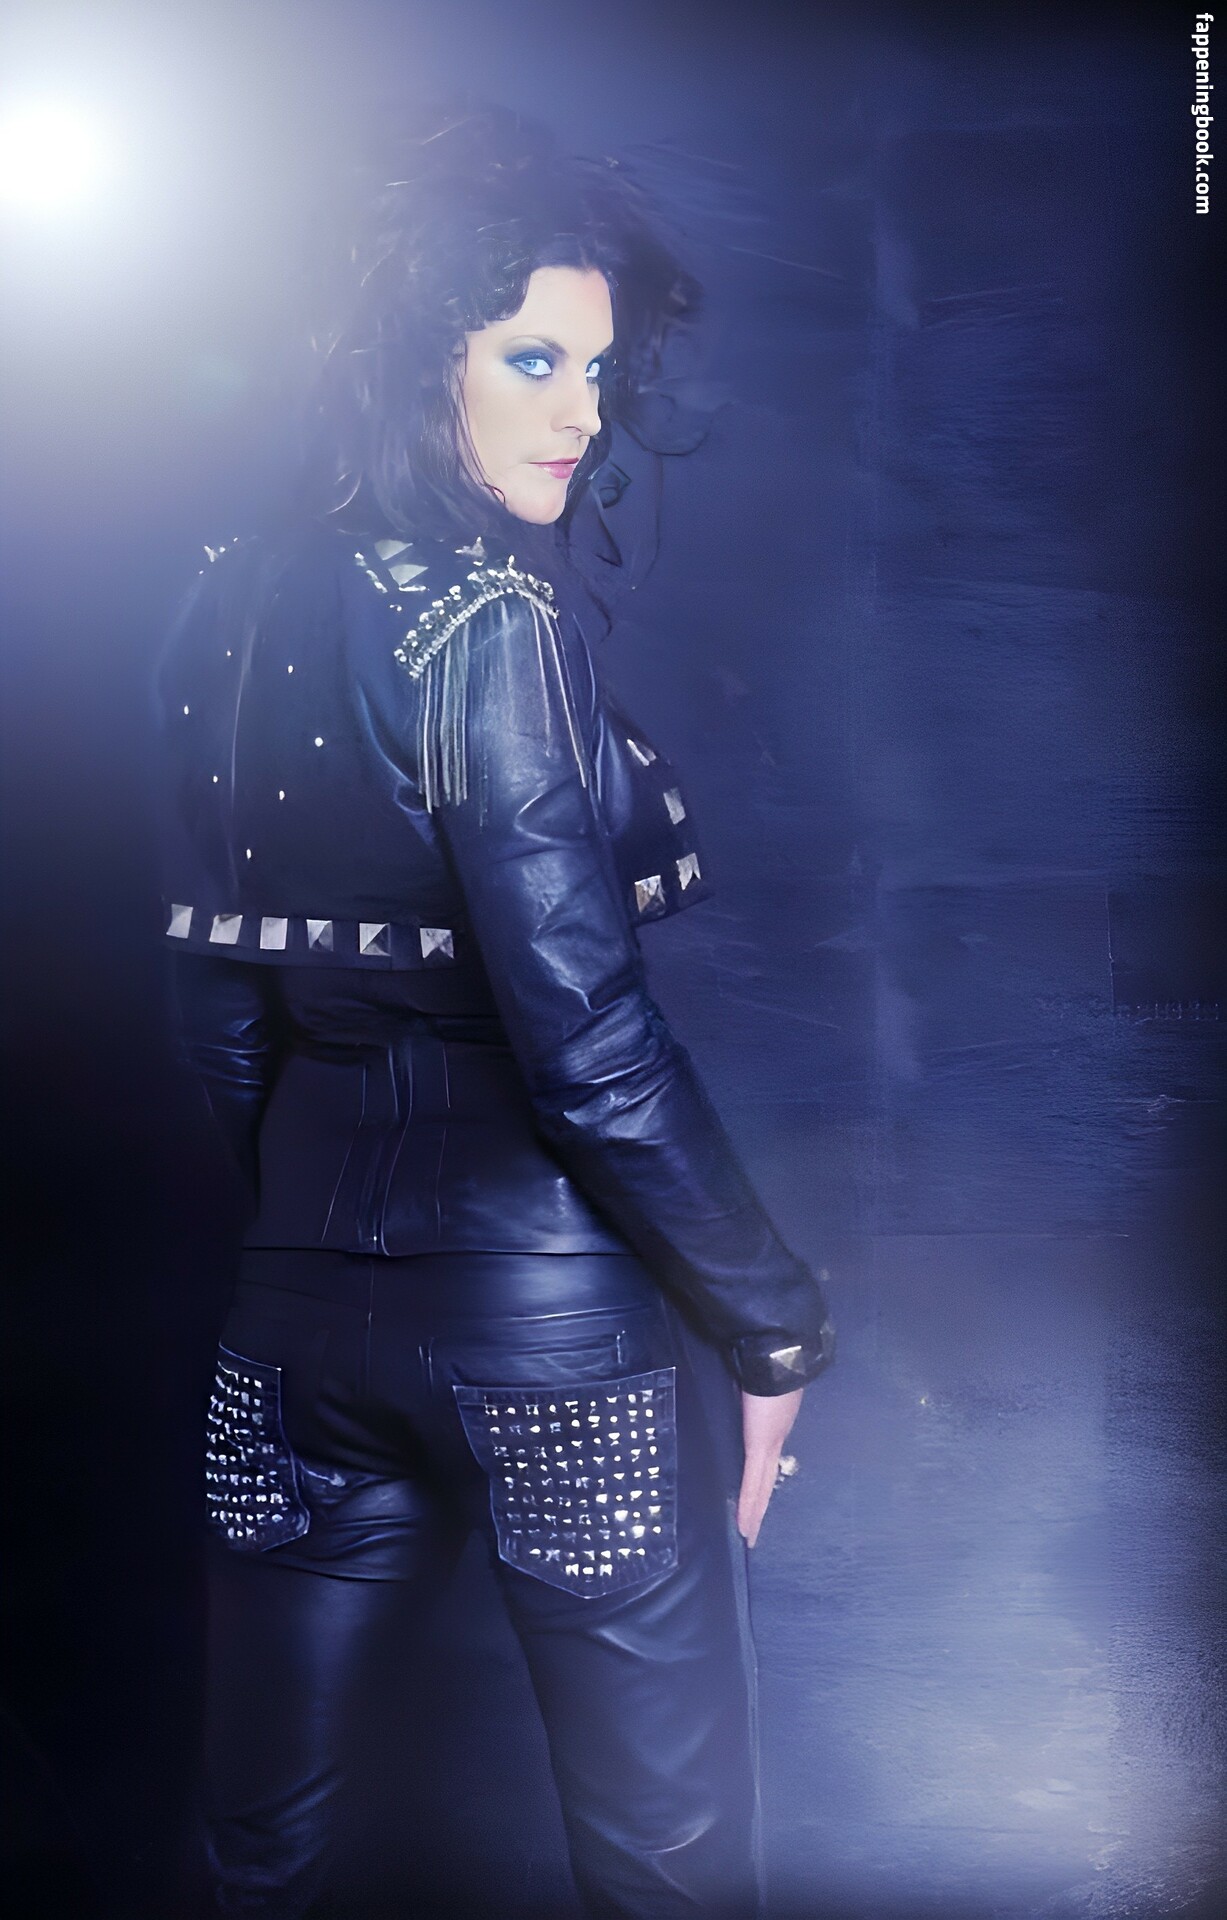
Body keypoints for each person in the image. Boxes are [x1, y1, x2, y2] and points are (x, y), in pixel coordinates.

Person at [155, 103, 834, 1920]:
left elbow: (219, 1021)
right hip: (555, 1349)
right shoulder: (487, 628)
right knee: (669, 1871)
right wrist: (775, 1329)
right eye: (533, 358)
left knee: (252, 1851)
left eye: (596, 369)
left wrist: (316, 1248)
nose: (581, 410)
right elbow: (589, 1052)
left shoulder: (215, 612)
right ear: (412, 354)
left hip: (287, 1331)